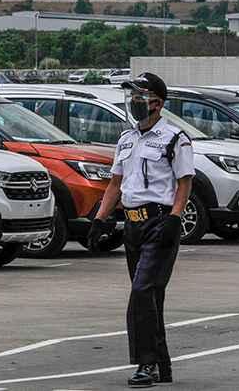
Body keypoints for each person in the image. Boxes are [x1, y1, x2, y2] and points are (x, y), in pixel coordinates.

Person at [88, 72, 194, 388]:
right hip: (132, 224)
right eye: (131, 96)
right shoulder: (127, 139)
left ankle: (145, 364)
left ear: (157, 103)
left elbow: (184, 182)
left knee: (141, 292)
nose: (134, 102)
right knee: (150, 297)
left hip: (160, 222)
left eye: (139, 96)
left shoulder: (175, 138)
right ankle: (162, 366)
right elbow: (115, 184)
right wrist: (100, 219)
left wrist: (175, 219)